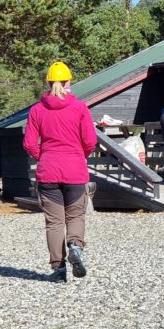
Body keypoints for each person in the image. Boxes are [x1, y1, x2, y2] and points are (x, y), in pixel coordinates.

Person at [23, 61, 97, 283]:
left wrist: (44, 157)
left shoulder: (37, 110)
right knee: (75, 215)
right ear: (68, 82)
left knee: (54, 222)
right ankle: (75, 246)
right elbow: (90, 141)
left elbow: (29, 143)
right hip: (75, 171)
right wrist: (79, 156)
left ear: (47, 83)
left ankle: (58, 269)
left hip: (48, 172)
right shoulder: (80, 108)